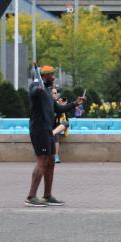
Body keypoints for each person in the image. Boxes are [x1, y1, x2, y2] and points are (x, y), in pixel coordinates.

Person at [25, 66, 82, 207]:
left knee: (50, 160)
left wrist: (75, 103)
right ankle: (31, 197)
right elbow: (33, 92)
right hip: (39, 130)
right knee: (42, 160)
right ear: (45, 76)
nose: (54, 77)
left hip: (48, 130)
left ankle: (47, 196)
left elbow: (58, 108)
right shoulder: (35, 87)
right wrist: (38, 89)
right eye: (52, 75)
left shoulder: (48, 90)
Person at [53, 95, 70, 164]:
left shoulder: (64, 109)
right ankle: (56, 155)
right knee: (56, 133)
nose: (62, 101)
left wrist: (63, 107)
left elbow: (66, 120)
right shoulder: (53, 107)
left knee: (66, 123)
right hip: (53, 127)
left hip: (59, 127)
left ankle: (53, 133)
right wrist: (58, 106)